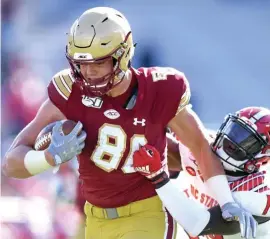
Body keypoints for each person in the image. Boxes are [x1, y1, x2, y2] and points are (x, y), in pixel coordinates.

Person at [2, 7, 256, 239]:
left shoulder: (162, 89)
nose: (88, 73)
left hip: (145, 214)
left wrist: (226, 201)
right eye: (81, 64)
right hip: (94, 218)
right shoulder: (69, 92)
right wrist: (48, 157)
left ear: (122, 55)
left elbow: (199, 146)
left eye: (99, 63)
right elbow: (11, 164)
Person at [134, 106, 270, 239]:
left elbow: (197, 225)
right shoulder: (202, 148)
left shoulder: (257, 193)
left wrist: (158, 177)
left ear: (263, 160)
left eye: (248, 142)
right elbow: (166, 150)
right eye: (234, 131)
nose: (232, 142)